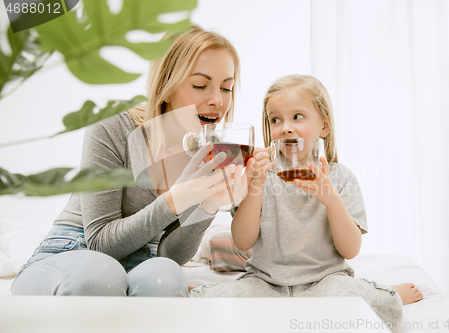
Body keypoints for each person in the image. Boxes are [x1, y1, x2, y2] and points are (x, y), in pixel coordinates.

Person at [11, 25, 246, 297]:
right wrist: (173, 201)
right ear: (166, 88)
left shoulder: (203, 152)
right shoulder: (113, 126)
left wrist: (209, 206)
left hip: (141, 259)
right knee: (99, 273)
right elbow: (100, 242)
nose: (218, 100)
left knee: (167, 275)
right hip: (76, 248)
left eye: (227, 88)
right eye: (200, 85)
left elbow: (170, 254)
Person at [190, 74, 423, 326]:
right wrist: (254, 186)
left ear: (324, 125)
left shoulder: (341, 178)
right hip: (265, 284)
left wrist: (331, 200)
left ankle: (388, 292)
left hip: (325, 283)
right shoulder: (258, 176)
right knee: (201, 308)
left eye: (297, 117)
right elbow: (243, 241)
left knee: (386, 308)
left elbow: (350, 250)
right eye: (275, 120)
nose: (286, 127)